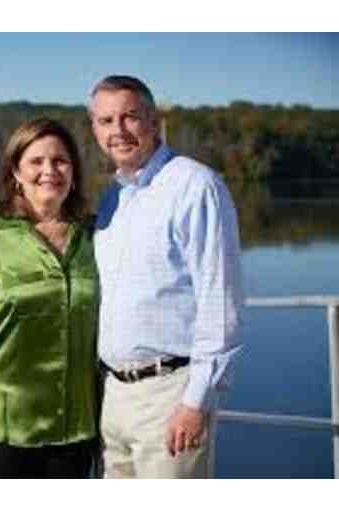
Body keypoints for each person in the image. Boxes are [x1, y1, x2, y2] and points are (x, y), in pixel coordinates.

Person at [90, 75, 244, 478]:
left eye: (129, 117)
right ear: (94, 129)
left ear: (154, 122)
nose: (118, 131)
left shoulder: (194, 186)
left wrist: (196, 402)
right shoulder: (113, 197)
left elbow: (220, 303)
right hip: (112, 398)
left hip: (169, 395)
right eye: (105, 121)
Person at [0, 118, 99, 478]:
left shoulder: (97, 237)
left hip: (76, 434)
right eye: (36, 161)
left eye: (60, 161)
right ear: (16, 172)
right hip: (4, 432)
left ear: (74, 171)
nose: (49, 171)